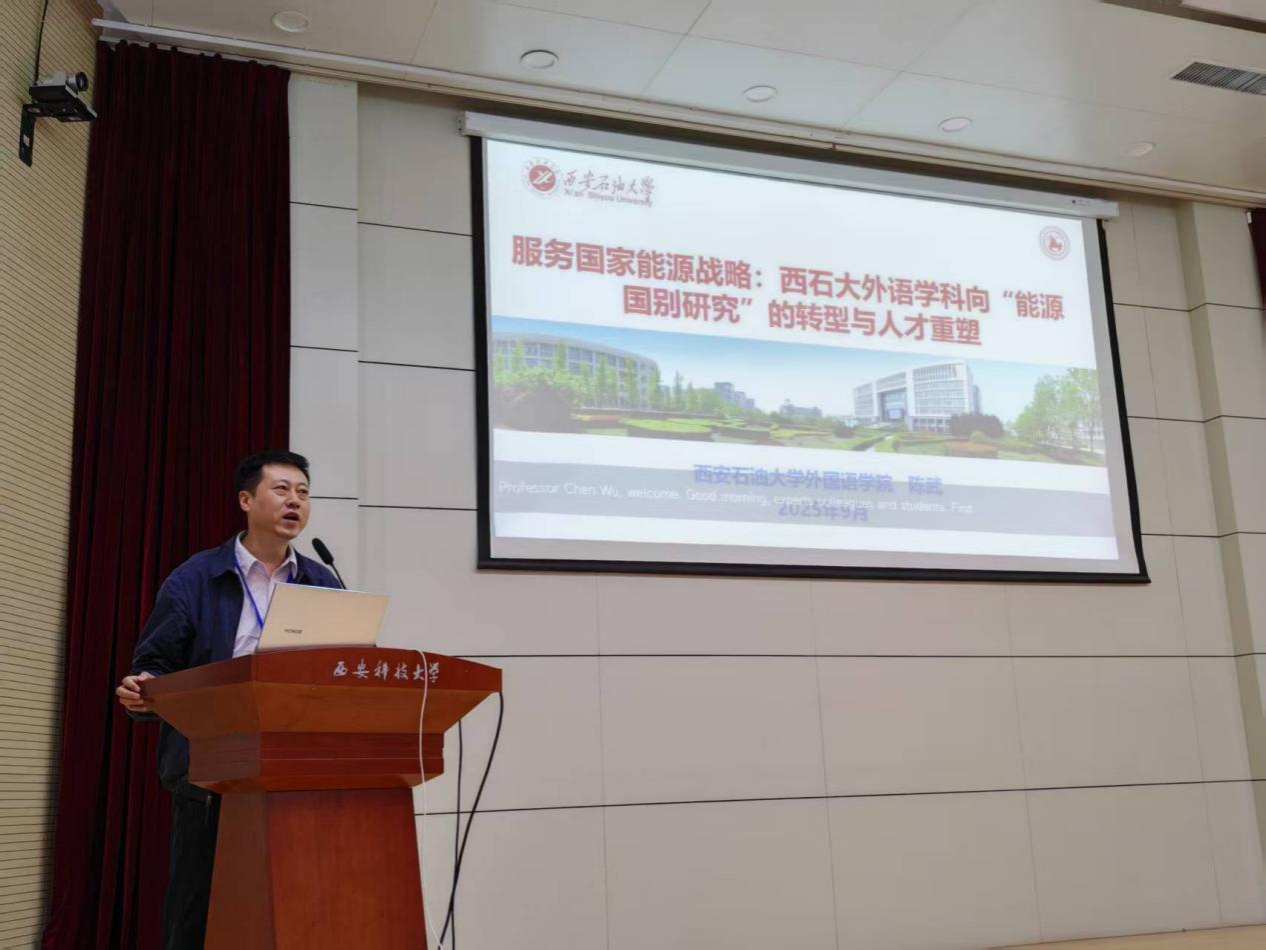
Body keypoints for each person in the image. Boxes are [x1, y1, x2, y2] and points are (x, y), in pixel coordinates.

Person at [114, 450, 342, 949]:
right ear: (246, 500)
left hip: (295, 769)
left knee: (288, 912)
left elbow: (338, 668)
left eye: (303, 493)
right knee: (198, 913)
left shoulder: (322, 581)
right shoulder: (196, 577)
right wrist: (145, 685)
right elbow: (155, 662)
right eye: (281, 489)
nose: (295, 501)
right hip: (211, 770)